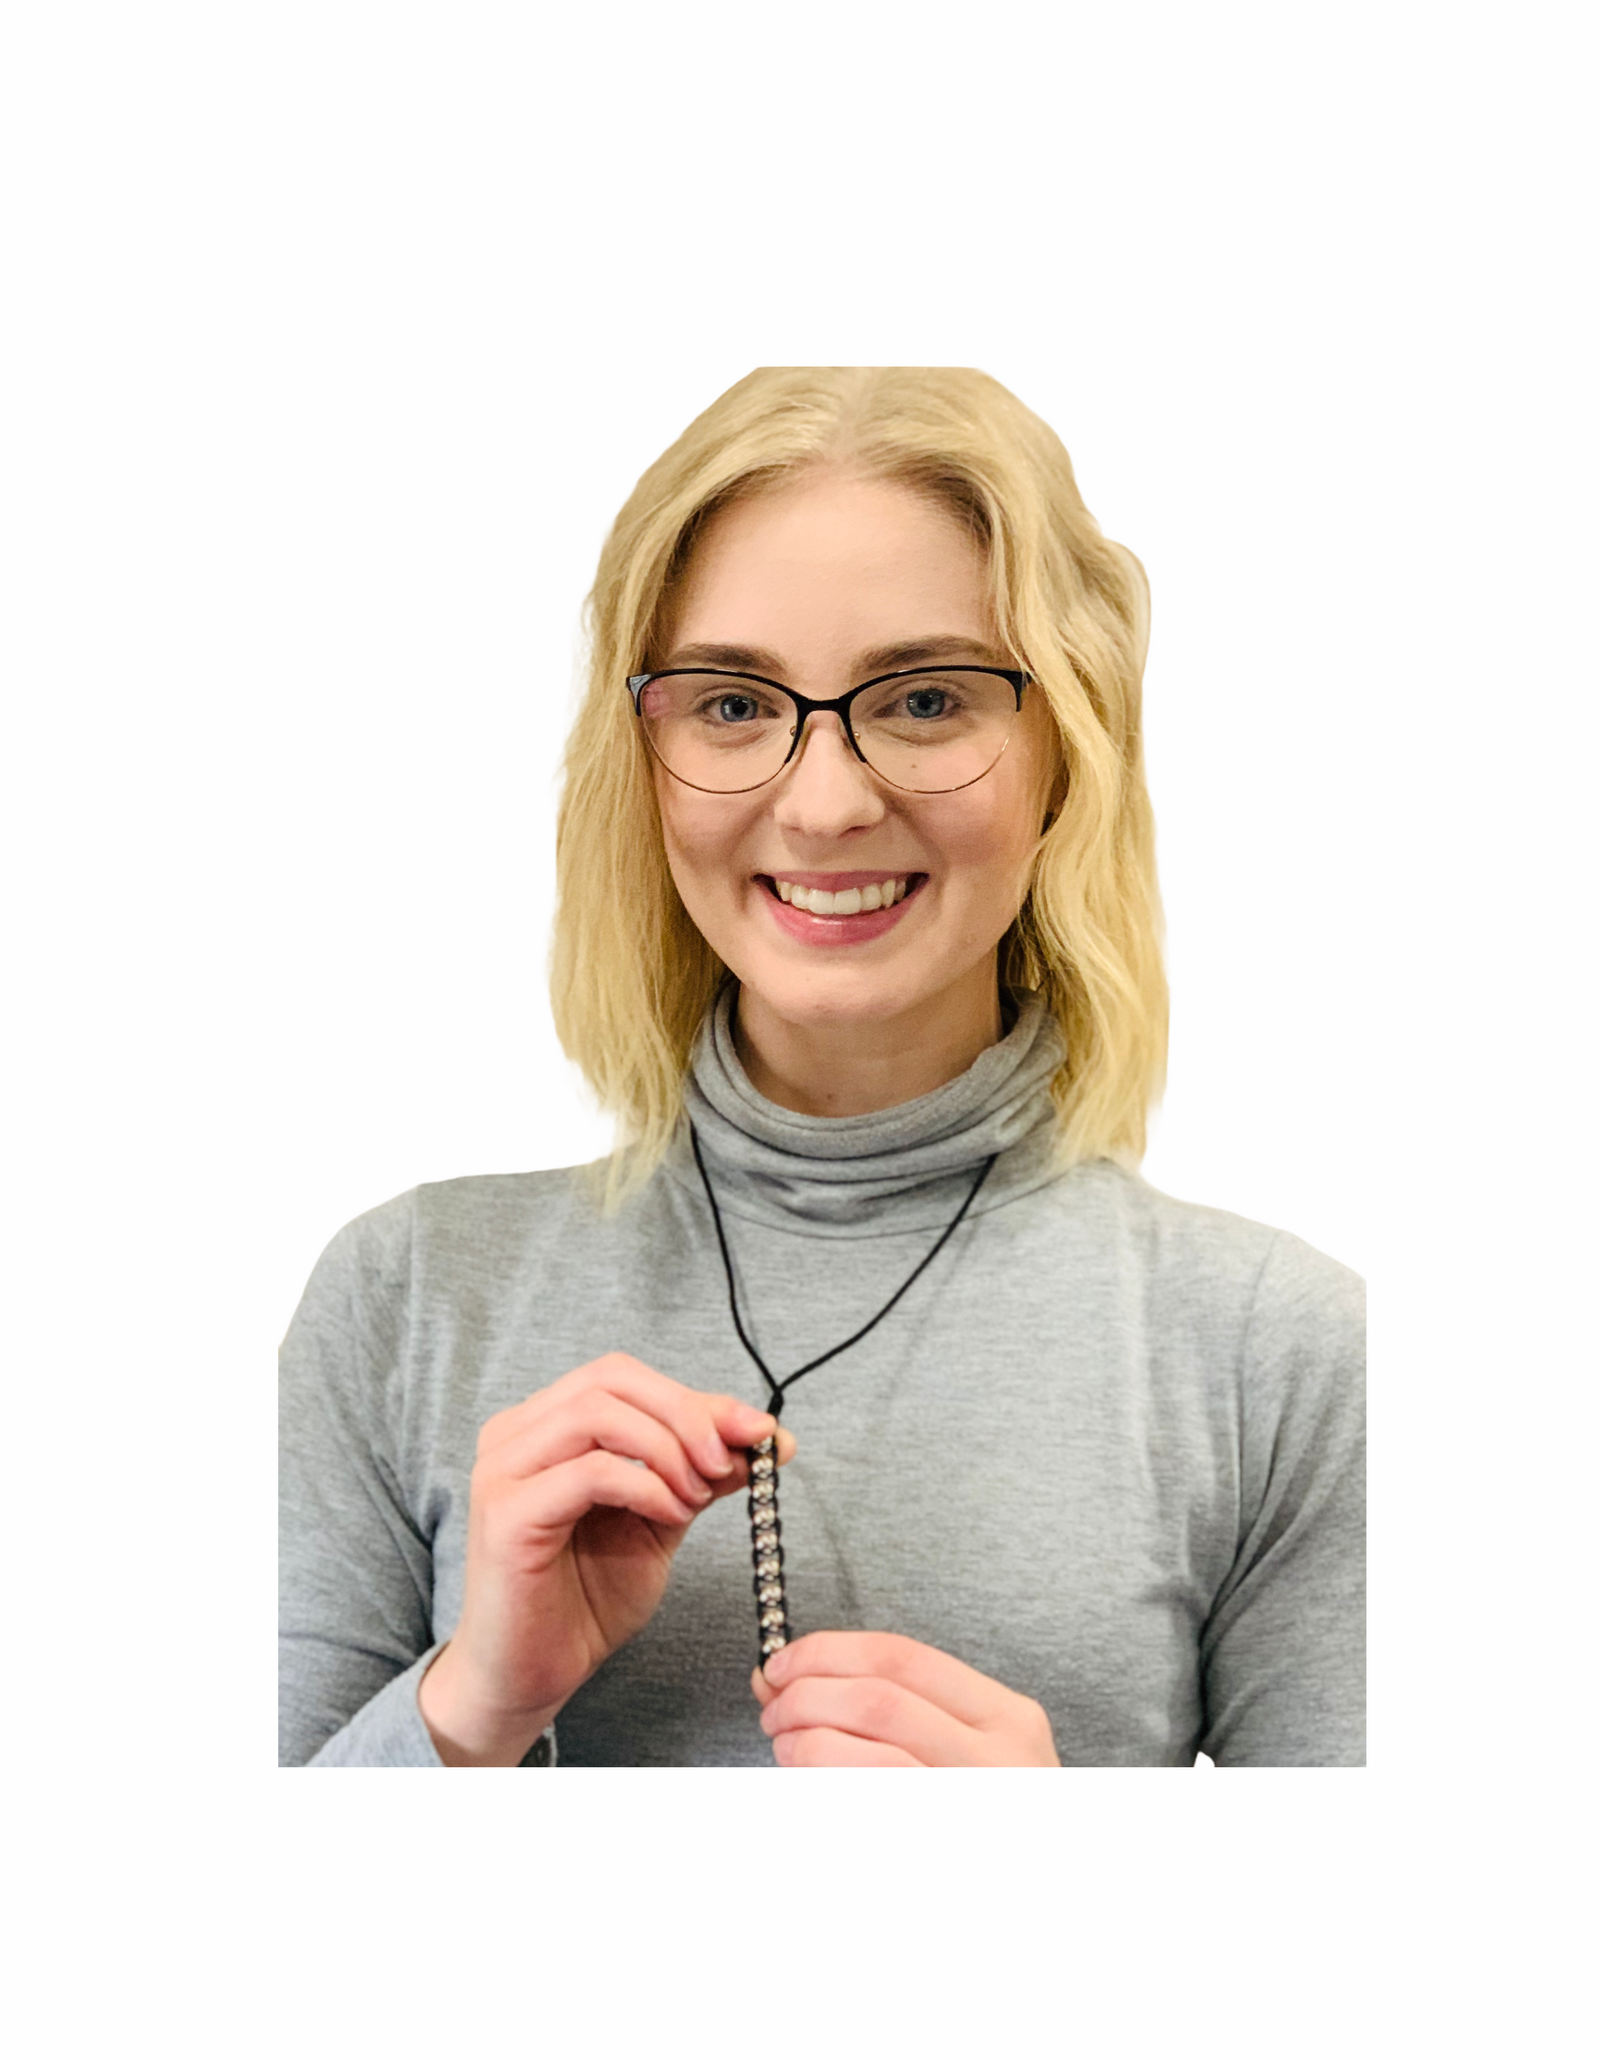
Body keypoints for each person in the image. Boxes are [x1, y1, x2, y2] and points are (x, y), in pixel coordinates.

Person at [279, 366, 1365, 1768]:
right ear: (645, 760)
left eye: (924, 700)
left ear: (1067, 758)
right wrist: (472, 1706)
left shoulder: (1278, 1352)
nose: (827, 799)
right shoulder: (405, 1300)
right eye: (733, 704)